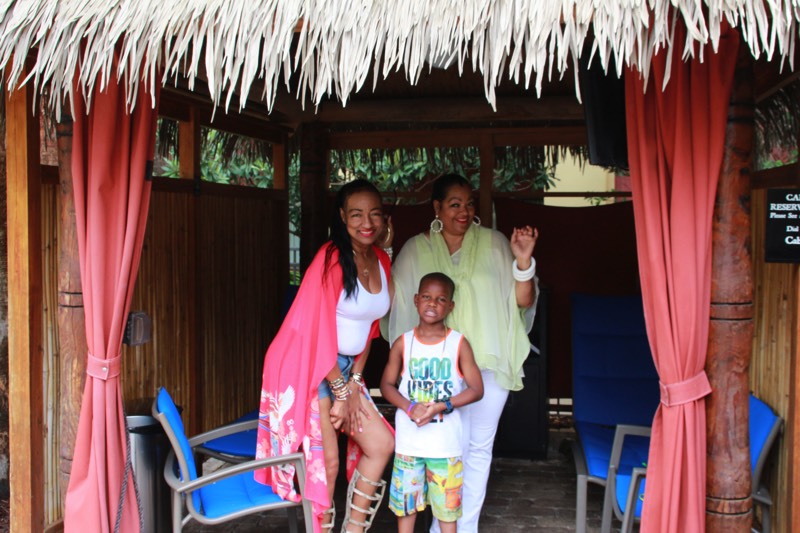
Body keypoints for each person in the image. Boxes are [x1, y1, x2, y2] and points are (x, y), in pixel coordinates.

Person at [386, 173, 538, 533]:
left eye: (469, 204)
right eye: (454, 204)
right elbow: (390, 301)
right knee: (441, 452)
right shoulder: (414, 249)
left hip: (485, 364)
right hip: (433, 371)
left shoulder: (495, 243)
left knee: (478, 450)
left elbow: (522, 301)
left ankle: (458, 530)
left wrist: (523, 261)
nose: (464, 211)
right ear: (436, 207)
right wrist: (385, 250)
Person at [255, 179, 395, 533]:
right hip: (307, 365)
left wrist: (354, 383)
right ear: (342, 217)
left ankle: (353, 529)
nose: (367, 222)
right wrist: (341, 392)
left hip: (345, 369)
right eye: (357, 214)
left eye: (375, 214)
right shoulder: (330, 259)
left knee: (381, 444)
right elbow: (316, 335)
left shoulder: (380, 259)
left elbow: (371, 330)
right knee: (326, 464)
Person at [380, 272, 484, 533]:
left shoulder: (458, 344)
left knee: (447, 511)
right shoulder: (403, 343)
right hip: (409, 446)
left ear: (451, 306)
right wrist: (409, 406)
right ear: (416, 300)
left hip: (445, 448)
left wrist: (443, 405)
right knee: (407, 506)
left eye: (440, 299)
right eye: (426, 297)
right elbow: (386, 386)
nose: (432, 304)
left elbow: (477, 389)